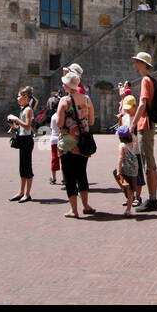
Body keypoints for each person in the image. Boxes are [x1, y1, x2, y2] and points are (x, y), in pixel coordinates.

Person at [56, 68, 97, 218]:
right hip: (83, 142)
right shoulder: (87, 99)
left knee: (69, 176)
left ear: (68, 86)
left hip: (67, 143)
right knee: (82, 174)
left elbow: (60, 123)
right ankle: (86, 205)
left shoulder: (64, 101)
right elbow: (91, 121)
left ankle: (74, 210)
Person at [131, 51, 157, 212]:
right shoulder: (151, 80)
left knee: (149, 163)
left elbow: (142, 103)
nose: (135, 65)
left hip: (145, 124)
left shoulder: (145, 80)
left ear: (144, 64)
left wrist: (133, 123)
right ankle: (152, 197)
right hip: (148, 124)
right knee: (149, 161)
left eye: (137, 62)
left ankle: (152, 199)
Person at [7, 87, 36, 203]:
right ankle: (21, 192)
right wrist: (13, 127)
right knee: (22, 167)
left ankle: (27, 194)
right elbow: (22, 127)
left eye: (19, 96)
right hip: (22, 139)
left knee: (27, 167)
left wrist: (16, 119)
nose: (17, 98)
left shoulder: (28, 110)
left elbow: (28, 126)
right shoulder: (23, 109)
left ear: (25, 97)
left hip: (27, 141)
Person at [114, 105, 145, 216]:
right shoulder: (133, 143)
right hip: (134, 170)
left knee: (123, 181)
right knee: (132, 188)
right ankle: (128, 209)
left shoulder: (122, 146)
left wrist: (118, 170)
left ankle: (128, 198)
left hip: (126, 169)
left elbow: (120, 158)